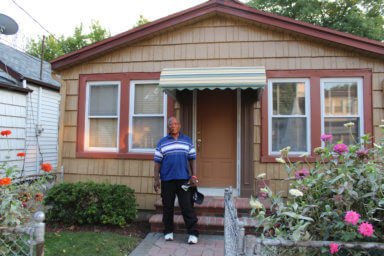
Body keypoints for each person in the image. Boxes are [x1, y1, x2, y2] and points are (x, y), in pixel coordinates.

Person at [154, 117, 199, 244]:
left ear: (179, 126)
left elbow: (192, 158)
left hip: (184, 180)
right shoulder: (162, 142)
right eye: (170, 124)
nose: (173, 126)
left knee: (187, 206)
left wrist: (194, 176)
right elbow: (157, 162)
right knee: (168, 207)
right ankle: (168, 231)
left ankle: (193, 233)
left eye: (175, 124)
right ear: (168, 127)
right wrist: (156, 179)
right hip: (167, 180)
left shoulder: (187, 141)